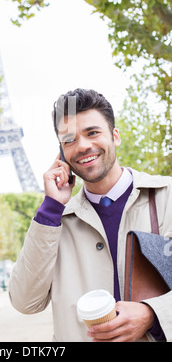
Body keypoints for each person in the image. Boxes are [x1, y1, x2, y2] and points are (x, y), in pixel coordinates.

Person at [9, 88, 172, 342]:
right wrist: (51, 207)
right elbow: (24, 301)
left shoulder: (167, 196)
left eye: (92, 133)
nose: (83, 146)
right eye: (69, 140)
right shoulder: (54, 222)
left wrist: (153, 314)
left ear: (115, 136)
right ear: (61, 153)